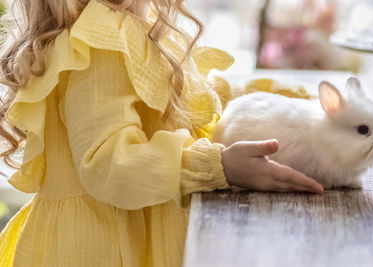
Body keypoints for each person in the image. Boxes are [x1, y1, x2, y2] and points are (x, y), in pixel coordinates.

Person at [0, 0, 324, 266]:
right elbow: (108, 164)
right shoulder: (101, 39)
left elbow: (190, 101)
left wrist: (292, 98)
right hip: (107, 246)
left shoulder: (136, 24)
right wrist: (218, 167)